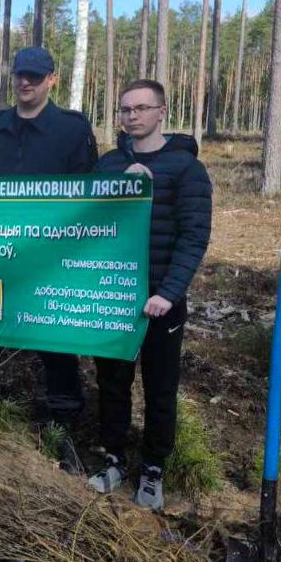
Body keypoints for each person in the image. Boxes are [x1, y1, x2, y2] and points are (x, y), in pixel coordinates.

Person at [87, 79, 212, 510]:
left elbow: (194, 236)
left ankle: (154, 468)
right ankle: (114, 457)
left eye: (141, 108)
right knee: (112, 384)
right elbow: (86, 221)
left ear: (161, 111)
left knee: (160, 387)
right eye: (125, 109)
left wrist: (169, 292)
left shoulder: (185, 169)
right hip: (113, 298)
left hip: (161, 301)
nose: (132, 116)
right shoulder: (107, 166)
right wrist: (121, 186)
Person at [0, 47, 97, 439]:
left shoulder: (72, 129)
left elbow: (87, 194)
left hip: (49, 254)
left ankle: (63, 415)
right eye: (20, 75)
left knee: (54, 334)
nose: (25, 83)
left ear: (52, 79)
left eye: (35, 77)